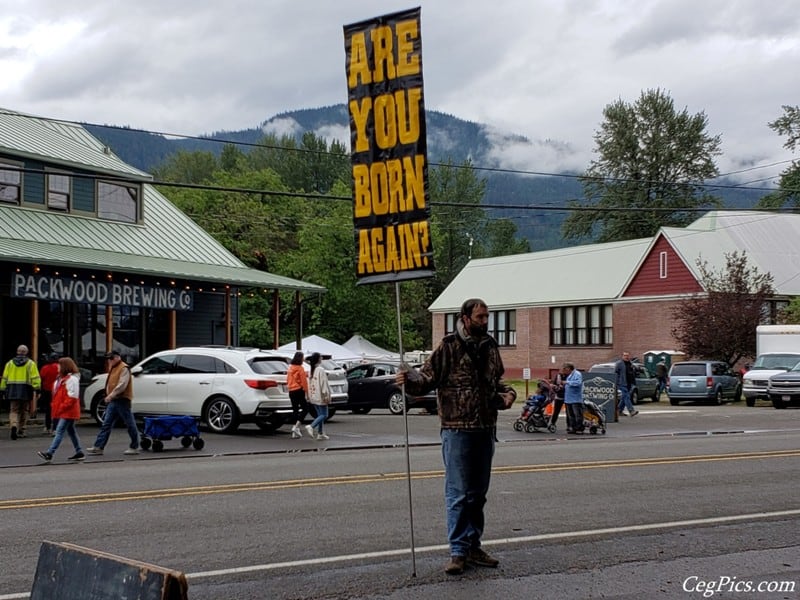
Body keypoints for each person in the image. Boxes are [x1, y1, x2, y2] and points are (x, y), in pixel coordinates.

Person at [396, 297, 516, 575]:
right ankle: (458, 551)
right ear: (465, 318)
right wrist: (408, 379)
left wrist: (508, 394)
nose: (485, 322)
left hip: (486, 428)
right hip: (457, 428)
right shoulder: (448, 347)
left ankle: (473, 546)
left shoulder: (490, 346)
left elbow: (494, 382)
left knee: (478, 495)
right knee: (458, 493)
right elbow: (426, 379)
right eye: (480, 318)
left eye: (487, 317)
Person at [86, 350, 140, 455]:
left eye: (111, 358)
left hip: (122, 399)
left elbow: (122, 385)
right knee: (106, 424)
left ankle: (134, 446)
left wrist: (110, 395)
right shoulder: (114, 367)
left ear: (117, 357)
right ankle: (98, 446)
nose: (109, 361)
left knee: (129, 423)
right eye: (108, 359)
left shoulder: (124, 368)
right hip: (114, 400)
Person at [37, 357, 84, 463]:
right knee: (71, 431)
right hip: (65, 410)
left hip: (68, 411)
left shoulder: (71, 380)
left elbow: (73, 396)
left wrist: (62, 406)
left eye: (59, 365)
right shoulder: (61, 379)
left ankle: (50, 453)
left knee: (59, 431)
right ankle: (79, 451)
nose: (57, 367)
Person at [1, 344, 41, 440]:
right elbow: (35, 378)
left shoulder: (9, 363)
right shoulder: (31, 364)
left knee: (13, 410)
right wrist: (37, 389)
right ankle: (21, 429)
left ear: (17, 352)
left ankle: (13, 425)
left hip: (12, 389)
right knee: (24, 410)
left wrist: (2, 390)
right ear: (26, 353)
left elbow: (4, 378)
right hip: (26, 390)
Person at [305, 352, 331, 440]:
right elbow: (323, 384)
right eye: (320, 357)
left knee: (320, 414)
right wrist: (326, 395)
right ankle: (312, 426)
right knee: (324, 414)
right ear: (318, 359)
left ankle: (320, 433)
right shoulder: (320, 370)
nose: (322, 358)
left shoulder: (311, 370)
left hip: (313, 395)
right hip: (320, 395)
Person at [287, 351, 309, 438]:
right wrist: (306, 392)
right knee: (305, 409)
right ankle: (296, 427)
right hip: (299, 390)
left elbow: (288, 380)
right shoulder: (300, 368)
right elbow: (304, 381)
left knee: (295, 409)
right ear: (300, 358)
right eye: (303, 357)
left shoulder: (290, 368)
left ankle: (294, 431)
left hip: (291, 390)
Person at [38, 353, 61, 435]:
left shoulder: (45, 368)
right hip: (57, 391)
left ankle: (47, 427)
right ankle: (55, 428)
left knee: (48, 410)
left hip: (47, 390)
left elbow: (41, 378)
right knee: (56, 409)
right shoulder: (59, 367)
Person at [562, 362, 585, 434]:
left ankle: (579, 428)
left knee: (577, 414)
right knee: (570, 415)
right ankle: (573, 427)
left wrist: (567, 382)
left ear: (569, 368)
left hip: (575, 399)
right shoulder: (570, 375)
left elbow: (578, 383)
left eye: (565, 369)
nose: (564, 371)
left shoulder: (577, 374)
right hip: (569, 399)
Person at [614, 351, 638, 417]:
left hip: (629, 383)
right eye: (625, 355)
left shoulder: (630, 363)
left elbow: (632, 372)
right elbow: (615, 373)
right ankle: (631, 410)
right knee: (626, 396)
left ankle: (619, 410)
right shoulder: (619, 363)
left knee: (624, 398)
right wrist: (617, 381)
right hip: (622, 383)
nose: (626, 357)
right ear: (622, 356)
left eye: (627, 355)